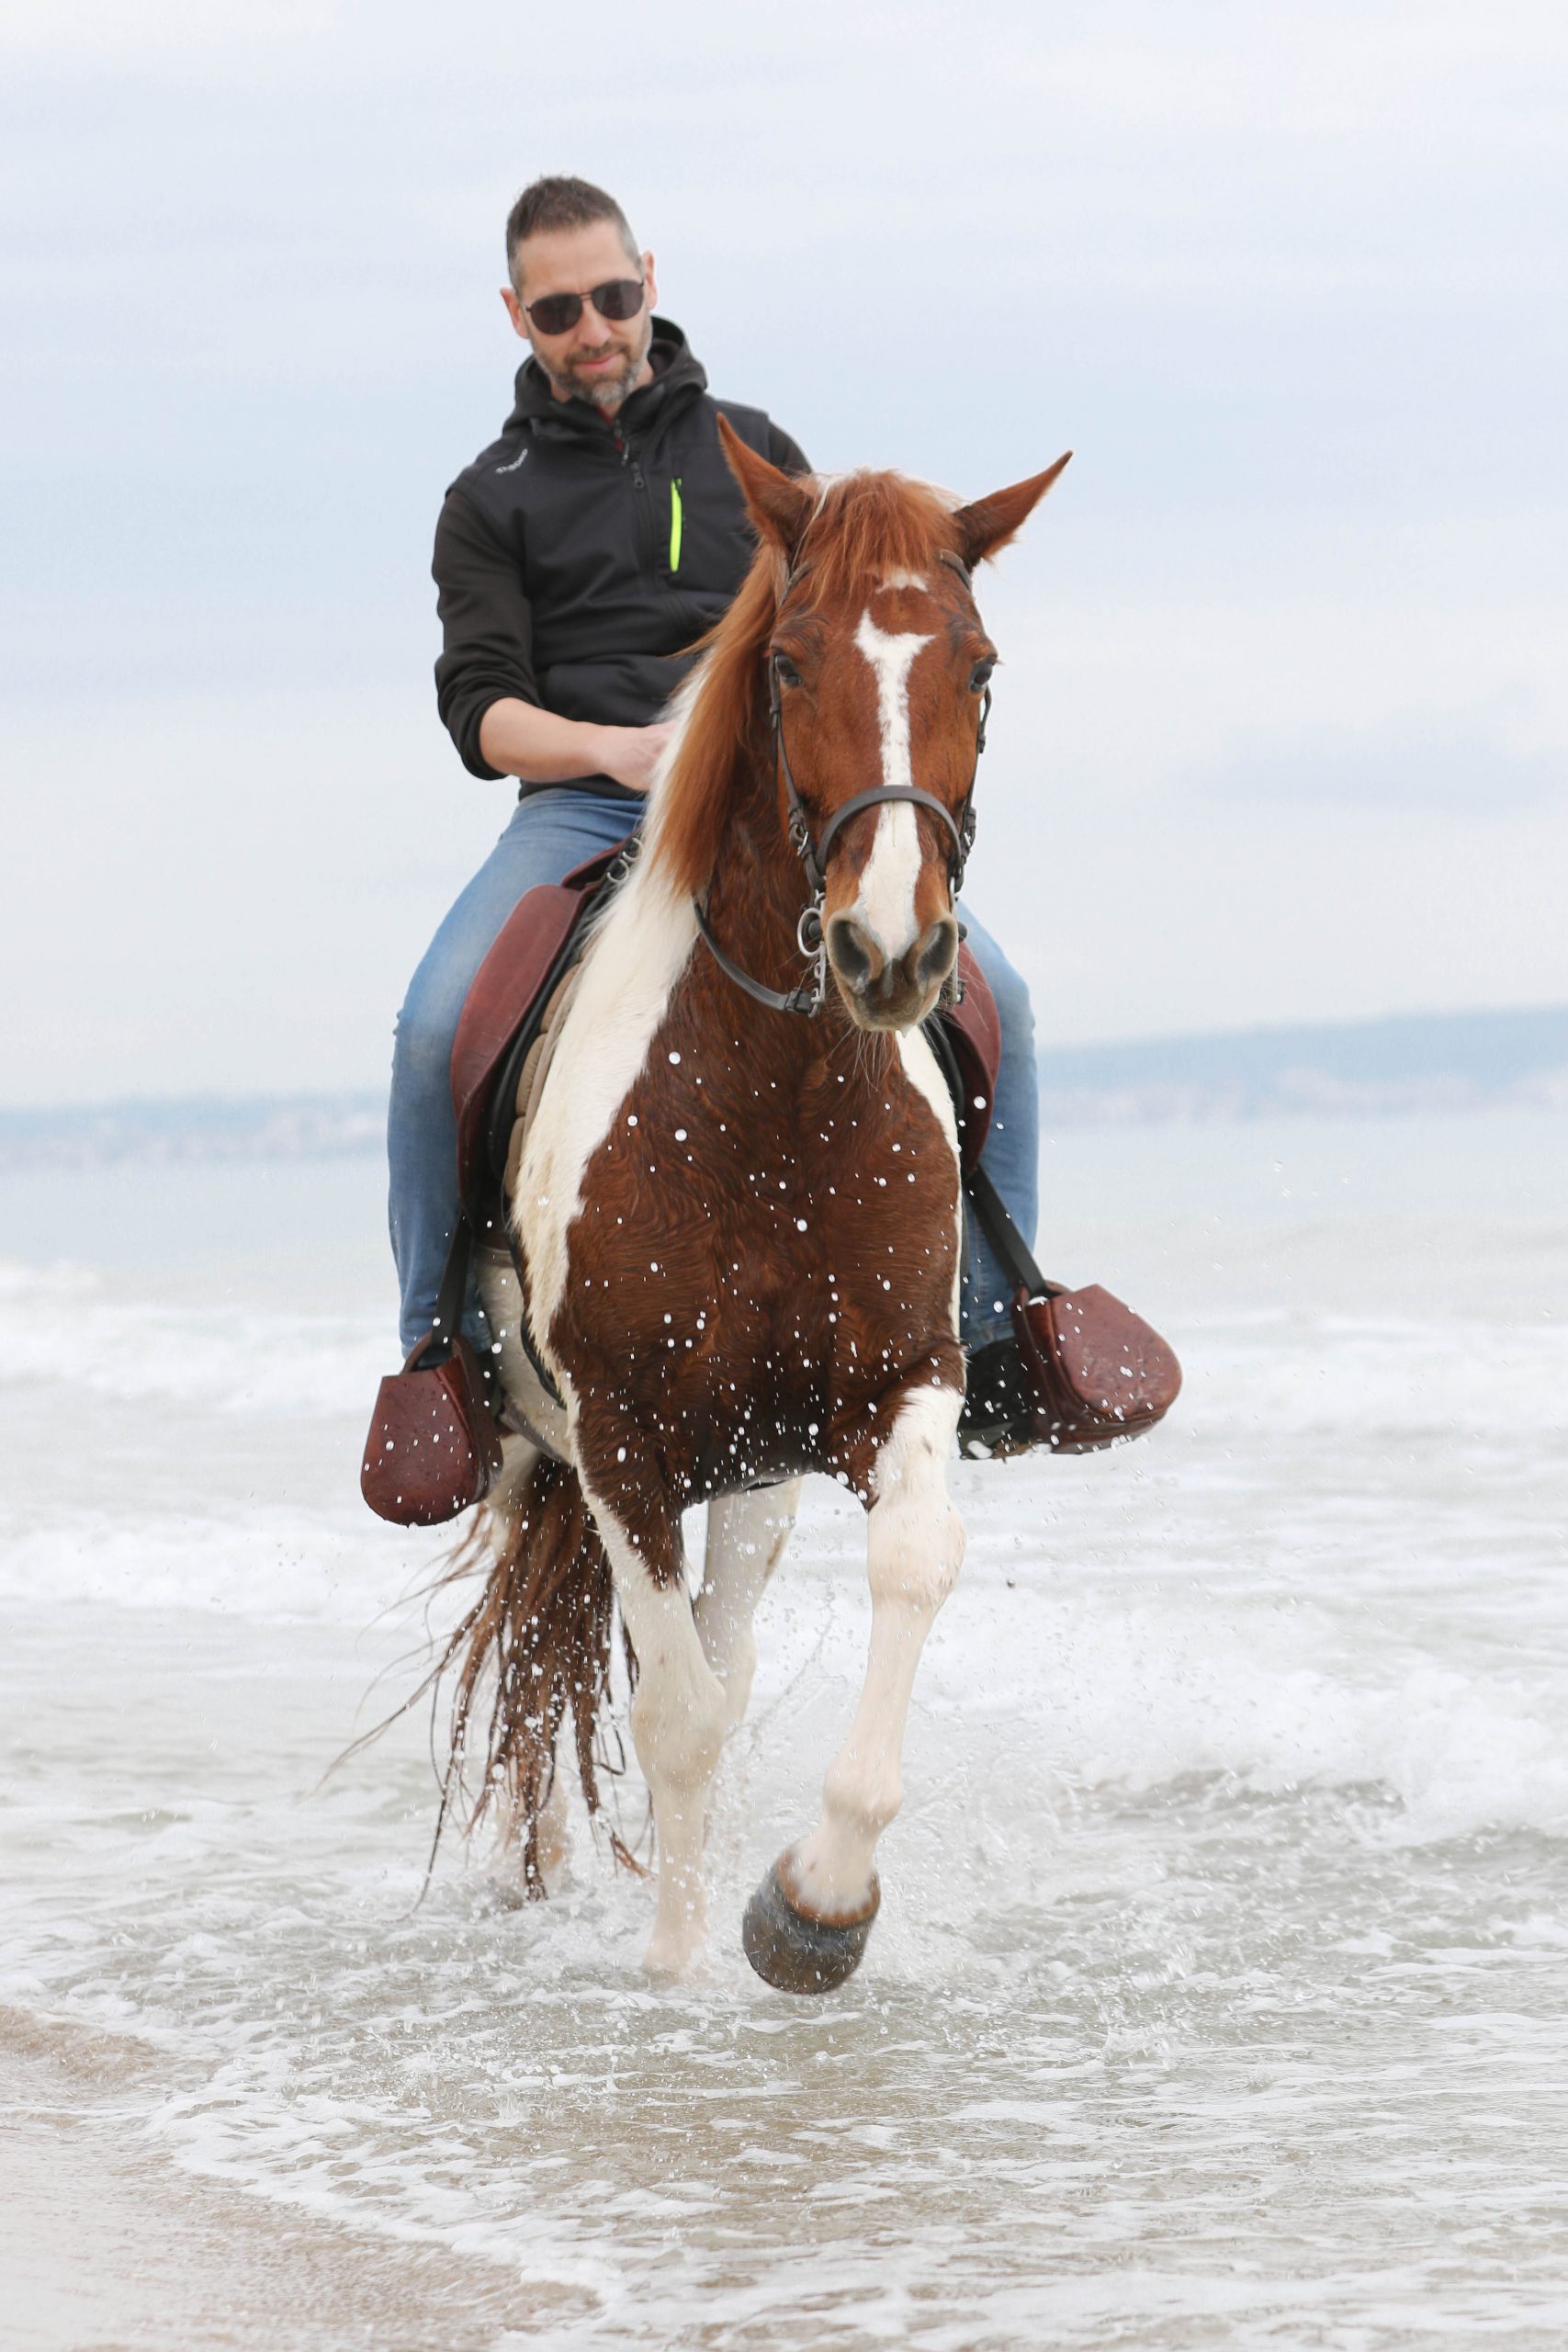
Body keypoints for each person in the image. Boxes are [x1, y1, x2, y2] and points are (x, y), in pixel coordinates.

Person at [389, 175, 1040, 1446]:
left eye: (615, 297)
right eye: (561, 308)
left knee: (995, 994)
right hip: (581, 809)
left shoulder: (756, 450)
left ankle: (1002, 1313)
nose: (595, 329)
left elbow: (838, 650)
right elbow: (480, 714)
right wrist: (618, 751)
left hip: (760, 816)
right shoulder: (491, 497)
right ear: (518, 315)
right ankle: (441, 1358)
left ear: (651, 283)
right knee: (431, 1026)